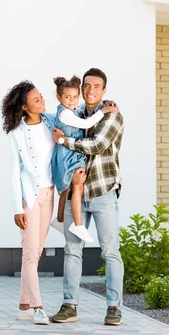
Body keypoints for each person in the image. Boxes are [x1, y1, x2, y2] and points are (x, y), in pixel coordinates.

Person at [50, 68, 125, 326]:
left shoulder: (112, 116)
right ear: (81, 89)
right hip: (77, 194)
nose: (90, 90)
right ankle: (69, 305)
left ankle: (114, 308)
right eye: (87, 86)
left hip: (103, 192)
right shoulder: (74, 112)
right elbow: (56, 122)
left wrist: (64, 141)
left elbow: (96, 145)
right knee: (72, 250)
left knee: (110, 252)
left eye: (96, 86)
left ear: (104, 90)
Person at [2, 81, 54, 325]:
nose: (42, 101)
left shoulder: (51, 122)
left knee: (36, 252)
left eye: (41, 97)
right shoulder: (17, 133)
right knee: (30, 254)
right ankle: (38, 308)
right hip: (29, 198)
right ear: (24, 106)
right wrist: (17, 208)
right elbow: (14, 173)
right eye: (36, 100)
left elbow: (75, 118)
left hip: (50, 194)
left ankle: (23, 305)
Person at [50, 76, 118, 243]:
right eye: (68, 97)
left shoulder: (73, 110)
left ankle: (59, 221)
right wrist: (103, 111)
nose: (72, 100)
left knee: (66, 189)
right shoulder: (68, 113)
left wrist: (104, 103)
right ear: (59, 98)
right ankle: (77, 224)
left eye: (75, 96)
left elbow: (96, 143)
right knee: (77, 186)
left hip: (75, 162)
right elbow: (86, 124)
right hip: (70, 156)